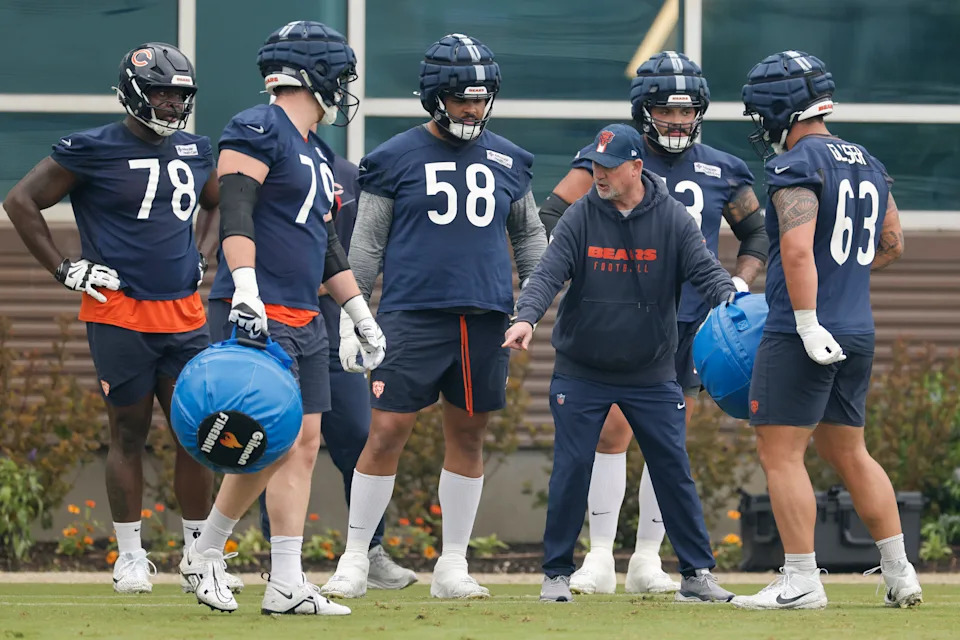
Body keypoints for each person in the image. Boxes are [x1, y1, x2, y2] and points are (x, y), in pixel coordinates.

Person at [1, 42, 241, 595]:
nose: (171, 103)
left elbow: (216, 203)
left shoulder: (195, 148)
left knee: (196, 434)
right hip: (119, 311)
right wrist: (67, 269)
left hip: (182, 312)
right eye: (161, 91)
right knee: (128, 433)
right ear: (134, 91)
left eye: (180, 94)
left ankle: (199, 555)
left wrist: (202, 252)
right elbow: (21, 201)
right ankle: (130, 556)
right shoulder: (91, 148)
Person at [320, 33, 547, 600]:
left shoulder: (509, 158)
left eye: (480, 97)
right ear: (434, 96)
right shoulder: (394, 157)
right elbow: (367, 245)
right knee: (387, 430)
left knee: (468, 435)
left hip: (486, 316)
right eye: (461, 98)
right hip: (411, 313)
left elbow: (530, 239)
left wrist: (532, 308)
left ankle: (452, 565)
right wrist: (354, 313)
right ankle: (355, 557)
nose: (473, 109)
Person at [538, 51, 768, 595]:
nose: (679, 123)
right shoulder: (610, 159)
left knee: (669, 443)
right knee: (612, 432)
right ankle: (598, 555)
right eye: (667, 112)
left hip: (694, 320)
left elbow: (756, 233)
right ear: (644, 111)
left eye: (688, 113)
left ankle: (647, 559)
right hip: (619, 316)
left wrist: (741, 282)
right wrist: (579, 279)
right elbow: (552, 215)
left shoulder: (723, 168)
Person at [178, 20, 384, 616]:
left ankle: (287, 582)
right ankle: (206, 550)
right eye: (339, 75)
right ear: (314, 74)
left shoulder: (319, 152)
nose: (343, 89)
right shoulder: (256, 126)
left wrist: (356, 311)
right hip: (257, 308)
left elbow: (324, 246)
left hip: (305, 315)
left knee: (302, 443)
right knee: (263, 441)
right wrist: (243, 286)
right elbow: (236, 212)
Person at [505, 123, 738, 604]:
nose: (599, 174)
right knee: (571, 468)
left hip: (651, 370)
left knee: (673, 468)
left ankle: (696, 575)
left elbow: (705, 270)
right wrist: (526, 317)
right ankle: (556, 575)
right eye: (594, 165)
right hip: (582, 369)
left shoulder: (672, 218)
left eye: (609, 167)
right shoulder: (580, 217)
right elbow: (548, 272)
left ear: (637, 167)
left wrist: (733, 304)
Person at [732, 51, 920, 610]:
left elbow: (792, 249)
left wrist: (809, 319)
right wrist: (839, 278)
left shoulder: (796, 164)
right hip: (858, 328)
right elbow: (892, 244)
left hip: (802, 330)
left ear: (780, 108)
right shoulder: (865, 158)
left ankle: (800, 579)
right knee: (851, 452)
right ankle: (901, 572)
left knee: (780, 453)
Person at [234, 152, 416, 590]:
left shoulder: (352, 176)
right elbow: (237, 226)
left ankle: (367, 551)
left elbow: (365, 246)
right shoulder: (265, 162)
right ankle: (282, 561)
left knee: (357, 434)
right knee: (282, 439)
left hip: (337, 322)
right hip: (279, 315)